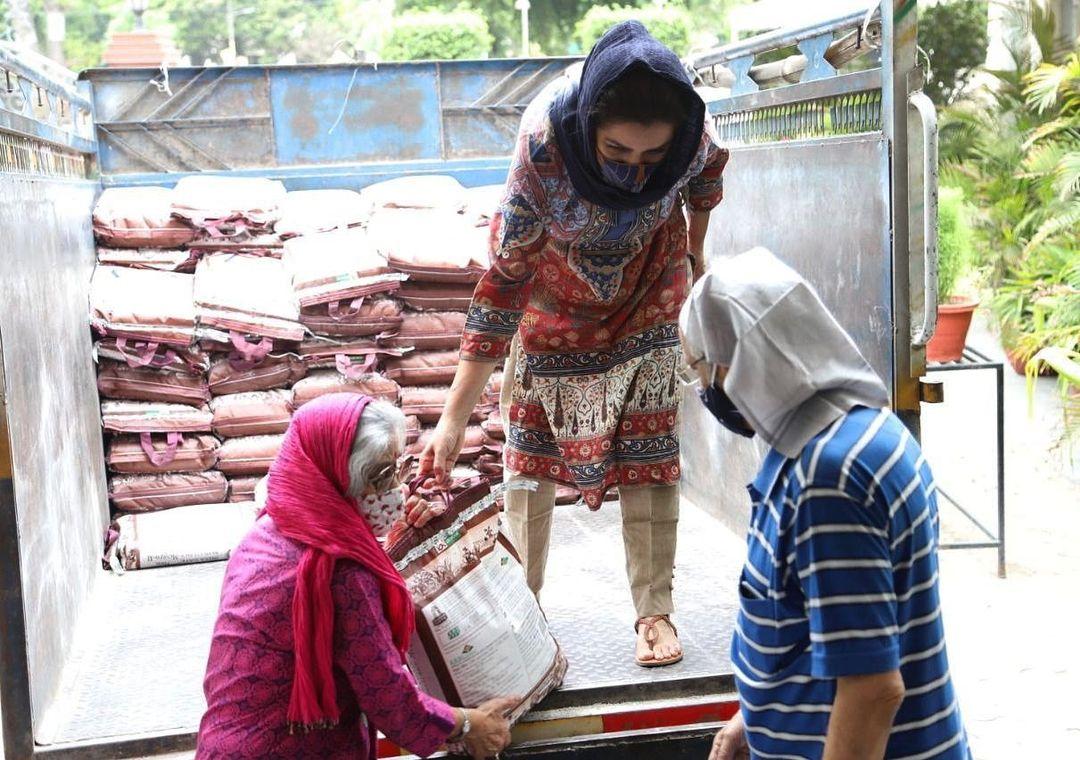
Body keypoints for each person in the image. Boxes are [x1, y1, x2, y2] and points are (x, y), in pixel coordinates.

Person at [417, 20, 729, 668]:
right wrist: (451, 421)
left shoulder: (692, 133)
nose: (634, 175)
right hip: (550, 302)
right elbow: (504, 284)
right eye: (616, 153)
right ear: (588, 125)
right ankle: (521, 615)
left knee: (650, 452)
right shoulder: (543, 148)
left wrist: (695, 253)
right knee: (527, 461)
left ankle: (654, 613)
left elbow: (706, 178)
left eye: (650, 160)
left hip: (647, 292)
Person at [679, 249, 971, 760]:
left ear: (737, 362)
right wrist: (755, 713)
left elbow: (873, 691)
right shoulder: (862, 429)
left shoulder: (827, 481)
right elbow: (836, 627)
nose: (703, 388)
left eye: (700, 369)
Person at [197, 393, 515, 760]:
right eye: (380, 477)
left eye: (397, 468)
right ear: (335, 477)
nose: (394, 488)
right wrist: (471, 725)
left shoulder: (270, 530)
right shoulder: (341, 572)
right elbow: (390, 700)